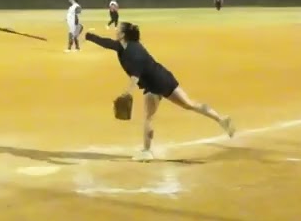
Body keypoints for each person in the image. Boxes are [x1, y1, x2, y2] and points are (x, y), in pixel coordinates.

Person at [83, 22, 234, 161]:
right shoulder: (125, 46)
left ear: (123, 34)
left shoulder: (133, 52)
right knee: (189, 104)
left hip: (154, 85)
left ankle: (147, 151)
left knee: (149, 118)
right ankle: (221, 119)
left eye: (118, 29)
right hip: (164, 77)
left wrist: (126, 93)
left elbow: (135, 77)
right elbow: (108, 43)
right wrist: (90, 36)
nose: (116, 31)